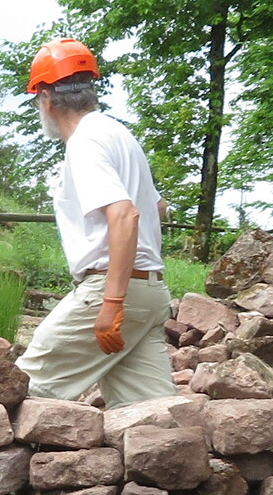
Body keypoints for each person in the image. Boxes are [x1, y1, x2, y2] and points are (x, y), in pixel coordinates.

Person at [15, 37, 179, 407]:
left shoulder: (84, 142)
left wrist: (112, 302)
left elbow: (124, 214)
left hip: (114, 290)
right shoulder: (118, 133)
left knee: (19, 388)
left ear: (46, 98)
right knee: (150, 415)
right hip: (149, 293)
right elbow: (157, 207)